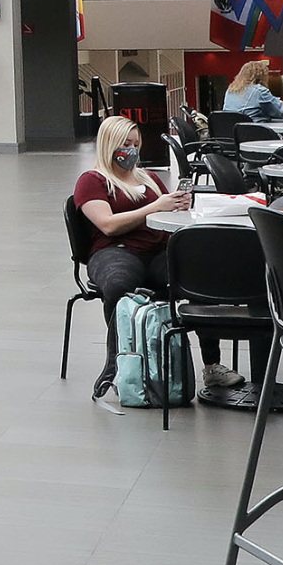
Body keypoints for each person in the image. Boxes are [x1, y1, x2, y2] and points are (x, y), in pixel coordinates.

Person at [74, 114, 195, 413]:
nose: (132, 151)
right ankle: (119, 363)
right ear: (109, 145)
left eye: (136, 144)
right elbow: (108, 225)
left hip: (156, 249)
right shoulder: (93, 181)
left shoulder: (150, 178)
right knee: (119, 284)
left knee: (194, 276)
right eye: (125, 144)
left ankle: (212, 365)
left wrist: (179, 205)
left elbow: (168, 215)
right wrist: (154, 207)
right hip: (114, 250)